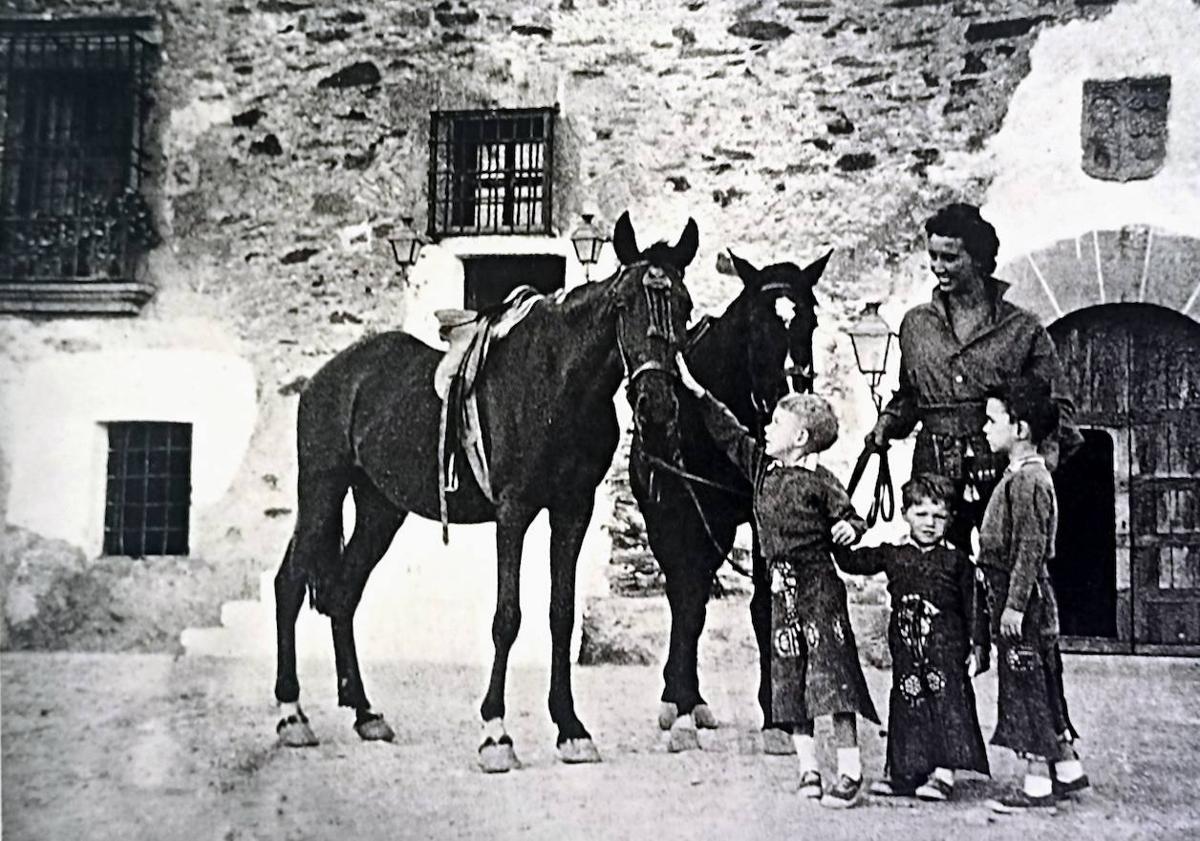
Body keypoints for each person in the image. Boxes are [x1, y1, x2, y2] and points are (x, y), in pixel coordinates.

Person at [676, 352, 880, 809]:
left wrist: (852, 528)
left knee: (833, 680)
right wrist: (698, 393)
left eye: (775, 424)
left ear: (801, 439)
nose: (766, 429)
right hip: (781, 593)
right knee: (790, 681)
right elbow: (731, 434)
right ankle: (808, 769)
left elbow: (850, 517)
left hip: (820, 592)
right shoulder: (763, 469)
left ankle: (849, 771)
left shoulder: (821, 482)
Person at [867, 202, 1083, 550]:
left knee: (1001, 566)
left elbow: (1057, 408)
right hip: (932, 471)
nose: (939, 267)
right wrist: (888, 423)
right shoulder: (915, 325)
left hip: (998, 470)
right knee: (936, 573)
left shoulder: (1023, 329)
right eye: (933, 257)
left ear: (979, 259)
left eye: (950, 258)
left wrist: (1035, 467)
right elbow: (910, 396)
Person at [835, 473, 990, 802]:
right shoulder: (893, 554)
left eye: (939, 516)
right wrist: (833, 527)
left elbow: (974, 607)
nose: (930, 523)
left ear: (949, 519)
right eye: (921, 514)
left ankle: (943, 774)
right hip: (906, 650)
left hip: (946, 650)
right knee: (907, 704)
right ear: (904, 513)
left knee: (948, 703)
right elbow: (851, 562)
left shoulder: (958, 562)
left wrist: (978, 647)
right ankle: (906, 772)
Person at [977, 376, 1089, 812]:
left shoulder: (1028, 482)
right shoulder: (1022, 477)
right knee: (1038, 680)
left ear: (1019, 429)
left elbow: (1029, 548)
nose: (985, 429)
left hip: (1021, 600)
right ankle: (1066, 769)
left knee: (1024, 686)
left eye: (992, 420)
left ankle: (1036, 783)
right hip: (1018, 597)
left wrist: (1014, 606)